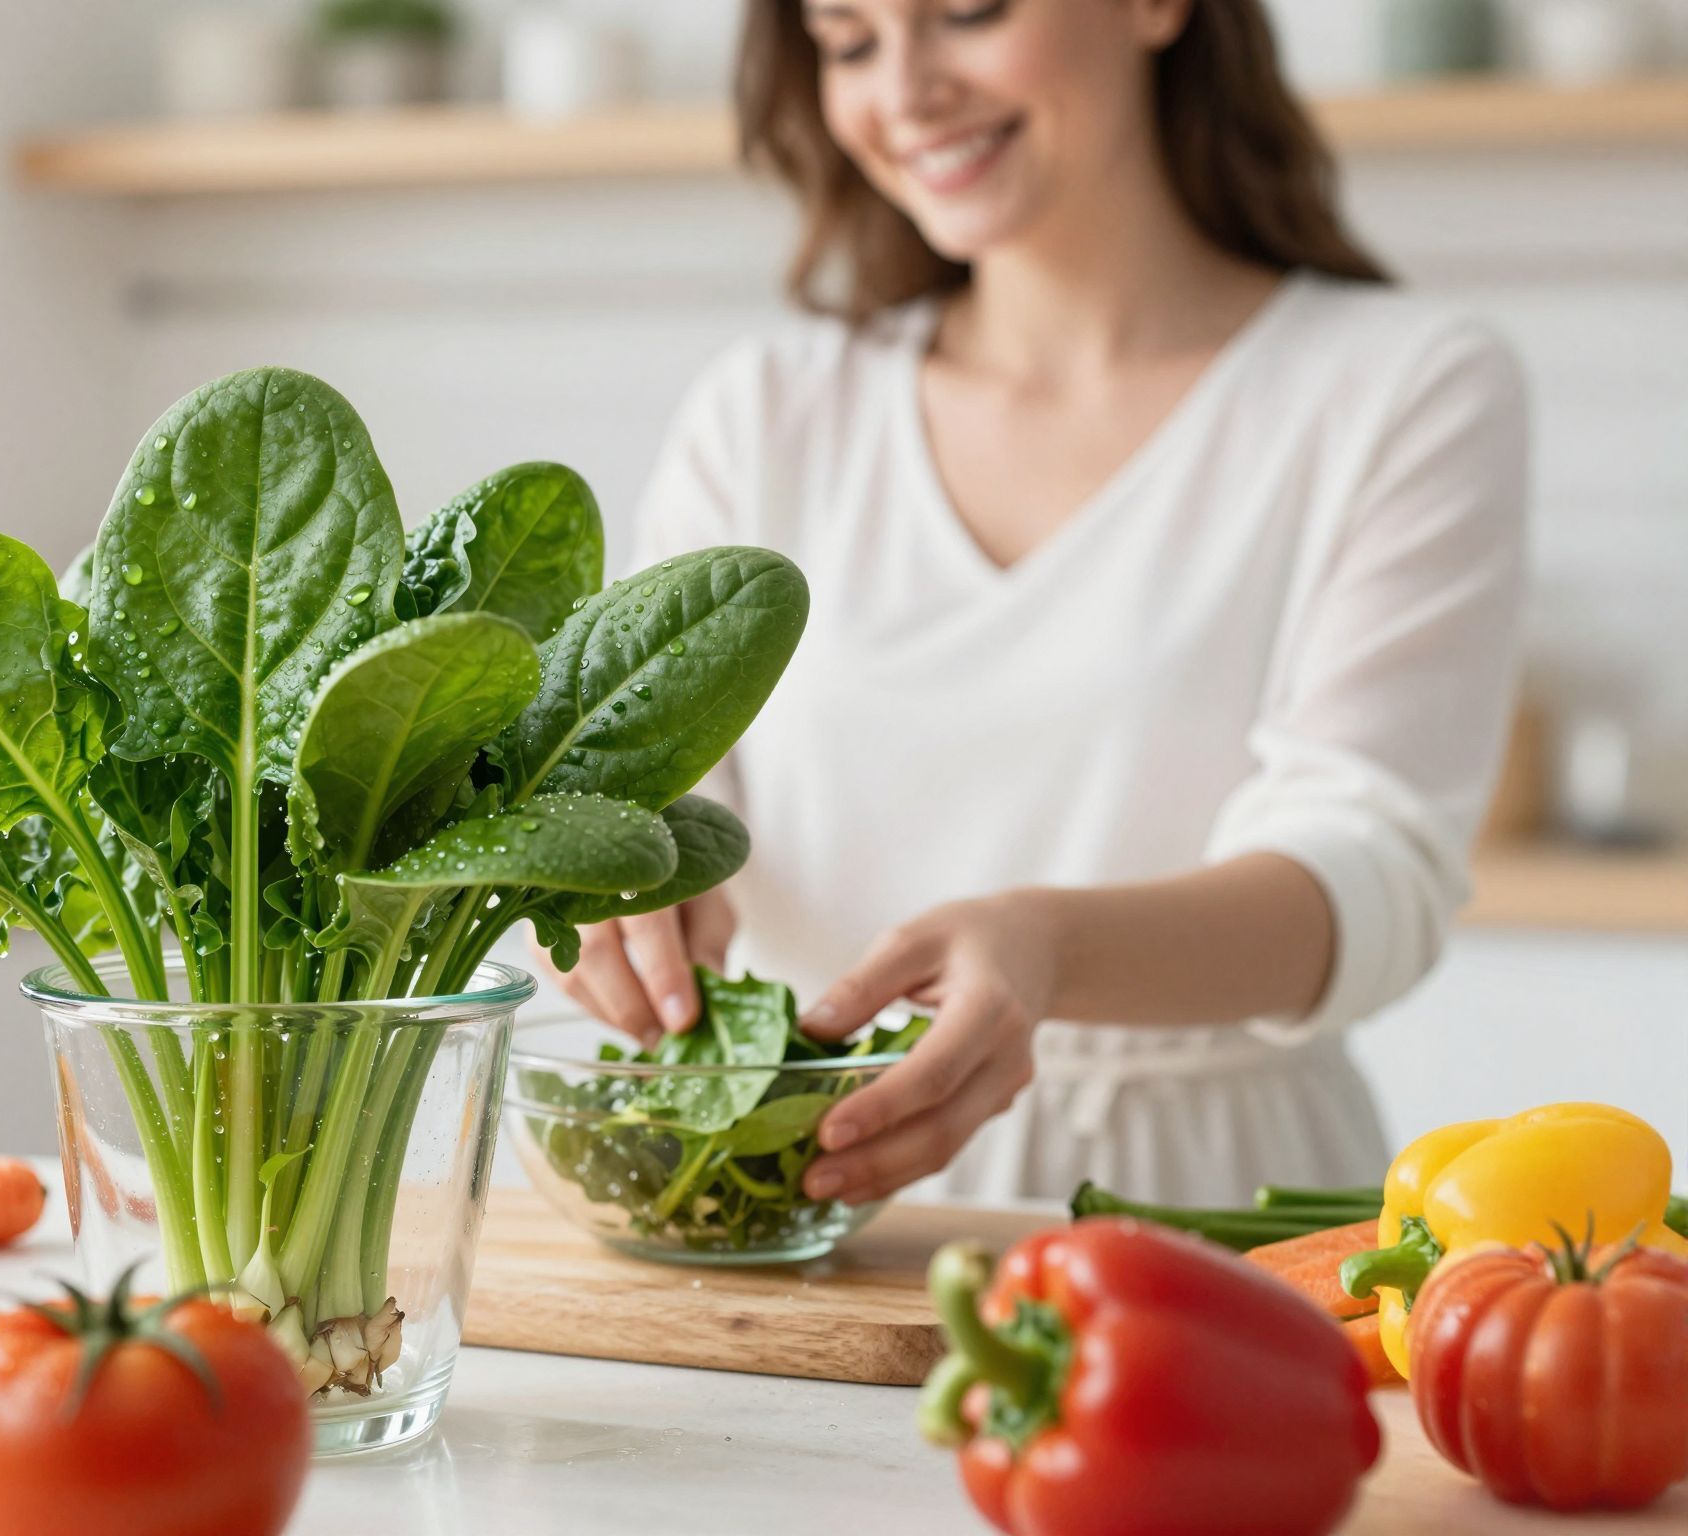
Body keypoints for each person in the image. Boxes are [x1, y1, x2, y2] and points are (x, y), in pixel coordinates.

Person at [541, 0, 1527, 1206]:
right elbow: (658, 770)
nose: (902, 93)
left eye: (966, 12)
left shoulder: (1400, 389)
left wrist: (1047, 950)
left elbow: (1366, 876)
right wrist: (620, 872)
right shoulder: (766, 415)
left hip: (1215, 1209)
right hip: (799, 1199)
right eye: (848, 41)